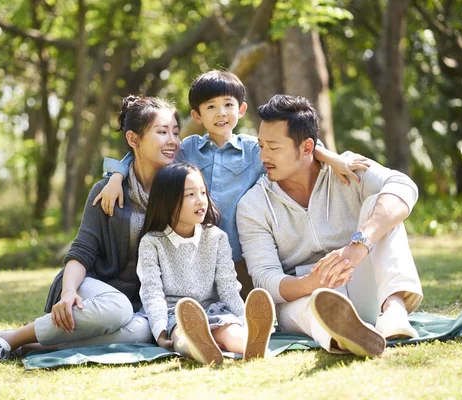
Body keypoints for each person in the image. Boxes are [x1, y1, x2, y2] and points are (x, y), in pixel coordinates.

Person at [96, 70, 368, 300]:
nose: (221, 113)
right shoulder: (188, 149)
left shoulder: (255, 150)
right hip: (198, 253)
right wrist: (117, 175)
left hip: (242, 256)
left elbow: (303, 148)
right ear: (198, 115)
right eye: (211, 107)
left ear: (241, 109)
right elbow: (144, 154)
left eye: (228, 104)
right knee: (200, 302)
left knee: (249, 305)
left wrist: (331, 158)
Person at [0, 95, 182, 365]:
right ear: (133, 139)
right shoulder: (106, 192)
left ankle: (37, 346)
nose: (172, 140)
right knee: (117, 308)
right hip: (90, 286)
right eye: (162, 132)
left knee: (142, 331)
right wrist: (68, 293)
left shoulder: (175, 194)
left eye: (175, 131)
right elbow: (83, 250)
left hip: (135, 303)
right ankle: (8, 338)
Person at [236, 94, 424, 358]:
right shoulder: (253, 205)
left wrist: (360, 244)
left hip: (360, 278)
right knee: (302, 308)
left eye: (274, 147)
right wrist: (310, 283)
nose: (264, 156)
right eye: (261, 146)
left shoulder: (347, 169)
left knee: (380, 207)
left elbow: (404, 187)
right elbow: (266, 278)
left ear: (306, 147)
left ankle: (394, 315)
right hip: (304, 297)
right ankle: (342, 336)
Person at [137, 162, 275, 365]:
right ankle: (201, 347)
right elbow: (152, 292)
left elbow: (228, 287)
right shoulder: (152, 242)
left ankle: (252, 343)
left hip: (214, 310)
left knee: (229, 329)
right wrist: (160, 330)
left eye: (202, 192)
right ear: (167, 200)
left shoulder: (217, 237)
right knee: (182, 335)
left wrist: (242, 318)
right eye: (190, 195)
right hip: (176, 314)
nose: (200, 200)